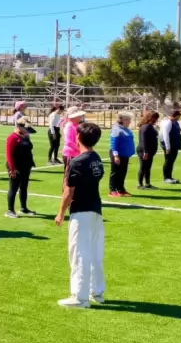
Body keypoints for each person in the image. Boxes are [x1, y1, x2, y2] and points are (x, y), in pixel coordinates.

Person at [55, 122, 105, 308]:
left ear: (78, 137)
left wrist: (60, 213)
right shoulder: (96, 158)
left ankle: (80, 296)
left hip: (81, 212)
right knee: (94, 252)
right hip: (95, 210)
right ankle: (96, 292)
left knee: (78, 253)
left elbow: (68, 192)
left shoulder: (77, 161)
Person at [5, 118, 35, 218]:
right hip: (16, 167)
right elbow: (9, 154)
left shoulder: (25, 136)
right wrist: (12, 169)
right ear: (18, 126)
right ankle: (10, 210)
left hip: (26, 165)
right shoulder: (12, 137)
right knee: (13, 188)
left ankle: (23, 208)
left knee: (24, 187)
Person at [108, 112, 135, 197]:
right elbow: (113, 143)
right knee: (115, 172)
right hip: (117, 154)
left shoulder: (126, 129)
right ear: (123, 120)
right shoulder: (116, 129)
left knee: (123, 172)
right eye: (128, 120)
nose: (130, 122)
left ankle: (120, 189)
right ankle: (112, 190)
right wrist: (116, 156)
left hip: (124, 155)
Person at [136, 111, 160, 190]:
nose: (156, 120)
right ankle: (140, 184)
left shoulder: (150, 126)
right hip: (144, 150)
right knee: (143, 167)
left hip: (150, 150)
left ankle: (147, 183)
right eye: (156, 118)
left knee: (148, 167)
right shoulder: (145, 127)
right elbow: (143, 140)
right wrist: (145, 151)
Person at [159, 109, 181, 184]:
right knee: (168, 160)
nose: (179, 118)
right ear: (175, 116)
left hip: (174, 144)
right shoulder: (167, 122)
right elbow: (165, 135)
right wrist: (167, 147)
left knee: (171, 161)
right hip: (169, 144)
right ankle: (166, 177)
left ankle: (169, 176)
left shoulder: (174, 122)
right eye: (178, 116)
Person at [61, 107, 85, 172]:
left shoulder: (76, 125)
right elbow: (68, 142)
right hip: (70, 154)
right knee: (69, 175)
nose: (80, 116)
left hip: (76, 153)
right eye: (79, 115)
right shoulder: (69, 126)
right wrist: (80, 149)